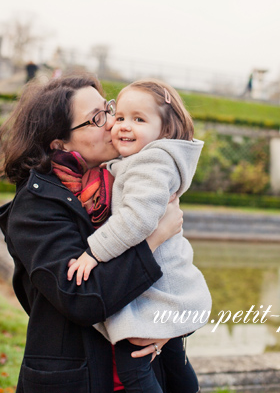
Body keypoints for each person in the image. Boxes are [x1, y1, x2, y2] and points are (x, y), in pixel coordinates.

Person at [0, 74, 185, 392]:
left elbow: (176, 272)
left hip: (143, 375)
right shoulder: (35, 207)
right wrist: (154, 236)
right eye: (97, 118)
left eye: (108, 109)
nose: (112, 123)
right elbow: (80, 299)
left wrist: (169, 327)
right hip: (78, 381)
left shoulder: (128, 183)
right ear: (59, 142)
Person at [67, 79, 211, 393]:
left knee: (133, 366)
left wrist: (94, 252)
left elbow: (137, 219)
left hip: (154, 289)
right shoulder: (142, 161)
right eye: (119, 117)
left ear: (165, 131)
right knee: (175, 363)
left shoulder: (152, 163)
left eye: (139, 119)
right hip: (160, 283)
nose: (123, 126)